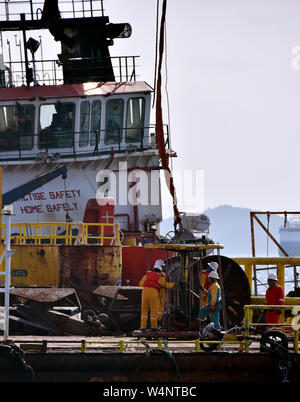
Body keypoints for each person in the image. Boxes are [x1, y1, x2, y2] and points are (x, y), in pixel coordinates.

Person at [139, 259, 174, 331]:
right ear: (161, 267)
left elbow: (141, 284)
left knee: (144, 310)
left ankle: (142, 327)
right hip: (153, 293)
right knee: (153, 310)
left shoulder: (147, 275)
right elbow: (165, 285)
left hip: (144, 292)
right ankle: (154, 327)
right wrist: (172, 284)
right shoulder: (160, 277)